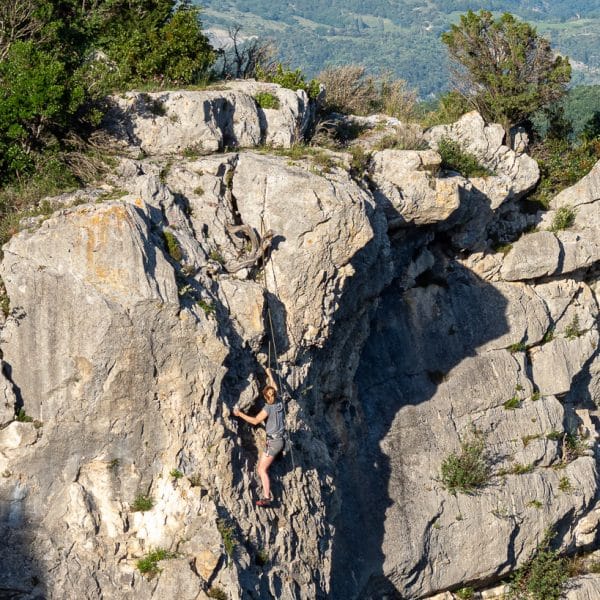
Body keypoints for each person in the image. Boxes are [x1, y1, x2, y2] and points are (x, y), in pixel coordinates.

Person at [233, 367, 285, 507]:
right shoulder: (279, 402)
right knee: (261, 467)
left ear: (266, 397)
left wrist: (239, 414)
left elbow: (255, 421)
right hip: (277, 440)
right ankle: (277, 456)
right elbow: (274, 387)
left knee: (262, 470)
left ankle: (267, 497)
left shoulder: (268, 408)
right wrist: (270, 375)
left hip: (274, 442)